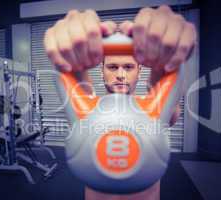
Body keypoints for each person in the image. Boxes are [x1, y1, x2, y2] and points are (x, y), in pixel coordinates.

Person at [44, 5, 197, 200]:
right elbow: (73, 72)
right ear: (102, 72)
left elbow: (167, 94)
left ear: (139, 71)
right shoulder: (88, 111)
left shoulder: (156, 112)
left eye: (128, 67)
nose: (120, 74)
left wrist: (165, 50)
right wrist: (72, 41)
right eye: (113, 67)